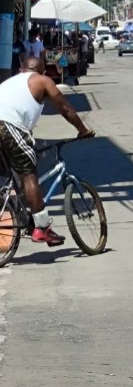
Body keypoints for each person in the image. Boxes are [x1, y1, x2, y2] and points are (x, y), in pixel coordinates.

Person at [0, 56, 94, 247]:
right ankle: (42, 228)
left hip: (8, 127)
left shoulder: (10, 82)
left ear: (21, 70)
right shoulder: (42, 81)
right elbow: (65, 108)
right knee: (29, 175)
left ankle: (22, 215)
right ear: (42, 71)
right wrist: (83, 130)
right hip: (7, 126)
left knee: (11, 176)